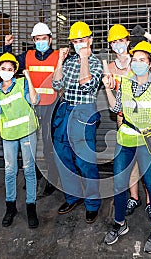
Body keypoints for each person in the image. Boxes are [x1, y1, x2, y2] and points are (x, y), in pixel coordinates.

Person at [103, 41, 151, 253]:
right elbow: (116, 108)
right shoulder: (126, 83)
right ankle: (120, 223)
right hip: (125, 139)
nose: (137, 63)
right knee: (119, 184)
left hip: (147, 141)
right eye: (134, 60)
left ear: (150, 63)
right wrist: (108, 89)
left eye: (142, 60)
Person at [105, 24, 151, 220]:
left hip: (147, 119)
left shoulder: (141, 55)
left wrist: (146, 34)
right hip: (124, 119)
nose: (118, 45)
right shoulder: (110, 67)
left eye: (120, 40)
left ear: (128, 40)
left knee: (148, 166)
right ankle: (134, 197)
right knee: (128, 163)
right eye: (113, 42)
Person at [0, 53, 40, 228]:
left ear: (15, 71)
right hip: (8, 136)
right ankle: (10, 207)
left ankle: (31, 208)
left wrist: (29, 78)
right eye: (3, 69)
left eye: (10, 69)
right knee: (9, 171)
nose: (6, 72)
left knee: (29, 170)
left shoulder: (22, 84)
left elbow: (34, 100)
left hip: (28, 132)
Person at [52, 21, 103, 224]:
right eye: (75, 41)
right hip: (65, 110)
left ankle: (92, 203)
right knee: (63, 157)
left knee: (85, 161)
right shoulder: (69, 61)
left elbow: (88, 85)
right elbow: (57, 83)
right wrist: (59, 61)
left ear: (90, 40)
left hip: (84, 112)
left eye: (82, 40)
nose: (78, 44)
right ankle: (72, 197)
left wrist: (84, 59)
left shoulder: (97, 62)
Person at [4, 22, 59, 196]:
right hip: (31, 106)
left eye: (43, 38)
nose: (40, 41)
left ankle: (52, 178)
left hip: (52, 106)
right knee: (30, 145)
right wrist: (7, 46)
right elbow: (8, 65)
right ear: (33, 40)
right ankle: (34, 175)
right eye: (37, 39)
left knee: (49, 145)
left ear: (50, 40)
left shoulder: (59, 56)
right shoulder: (26, 56)